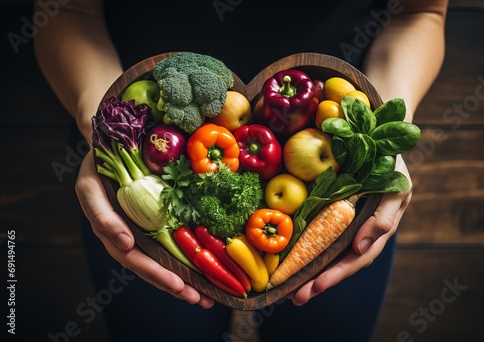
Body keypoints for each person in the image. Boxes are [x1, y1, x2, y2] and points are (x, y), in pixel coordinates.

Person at [34, 0, 449, 340]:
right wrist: (106, 129)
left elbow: (420, 12)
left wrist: (382, 139)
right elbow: (67, 12)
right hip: (144, 142)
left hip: (340, 164)